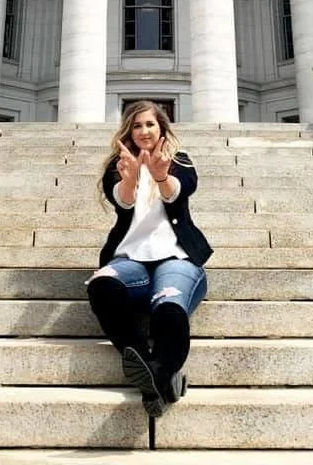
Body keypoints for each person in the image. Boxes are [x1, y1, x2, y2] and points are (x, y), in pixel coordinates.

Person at [86, 100, 213, 417]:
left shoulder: (179, 162)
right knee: (102, 286)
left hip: (177, 258)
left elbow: (177, 192)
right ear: (129, 131)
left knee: (168, 306)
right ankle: (152, 368)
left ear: (162, 129)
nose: (144, 131)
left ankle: (156, 374)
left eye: (150, 124)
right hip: (132, 260)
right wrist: (130, 179)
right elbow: (123, 203)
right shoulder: (120, 165)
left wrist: (160, 175)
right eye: (137, 125)